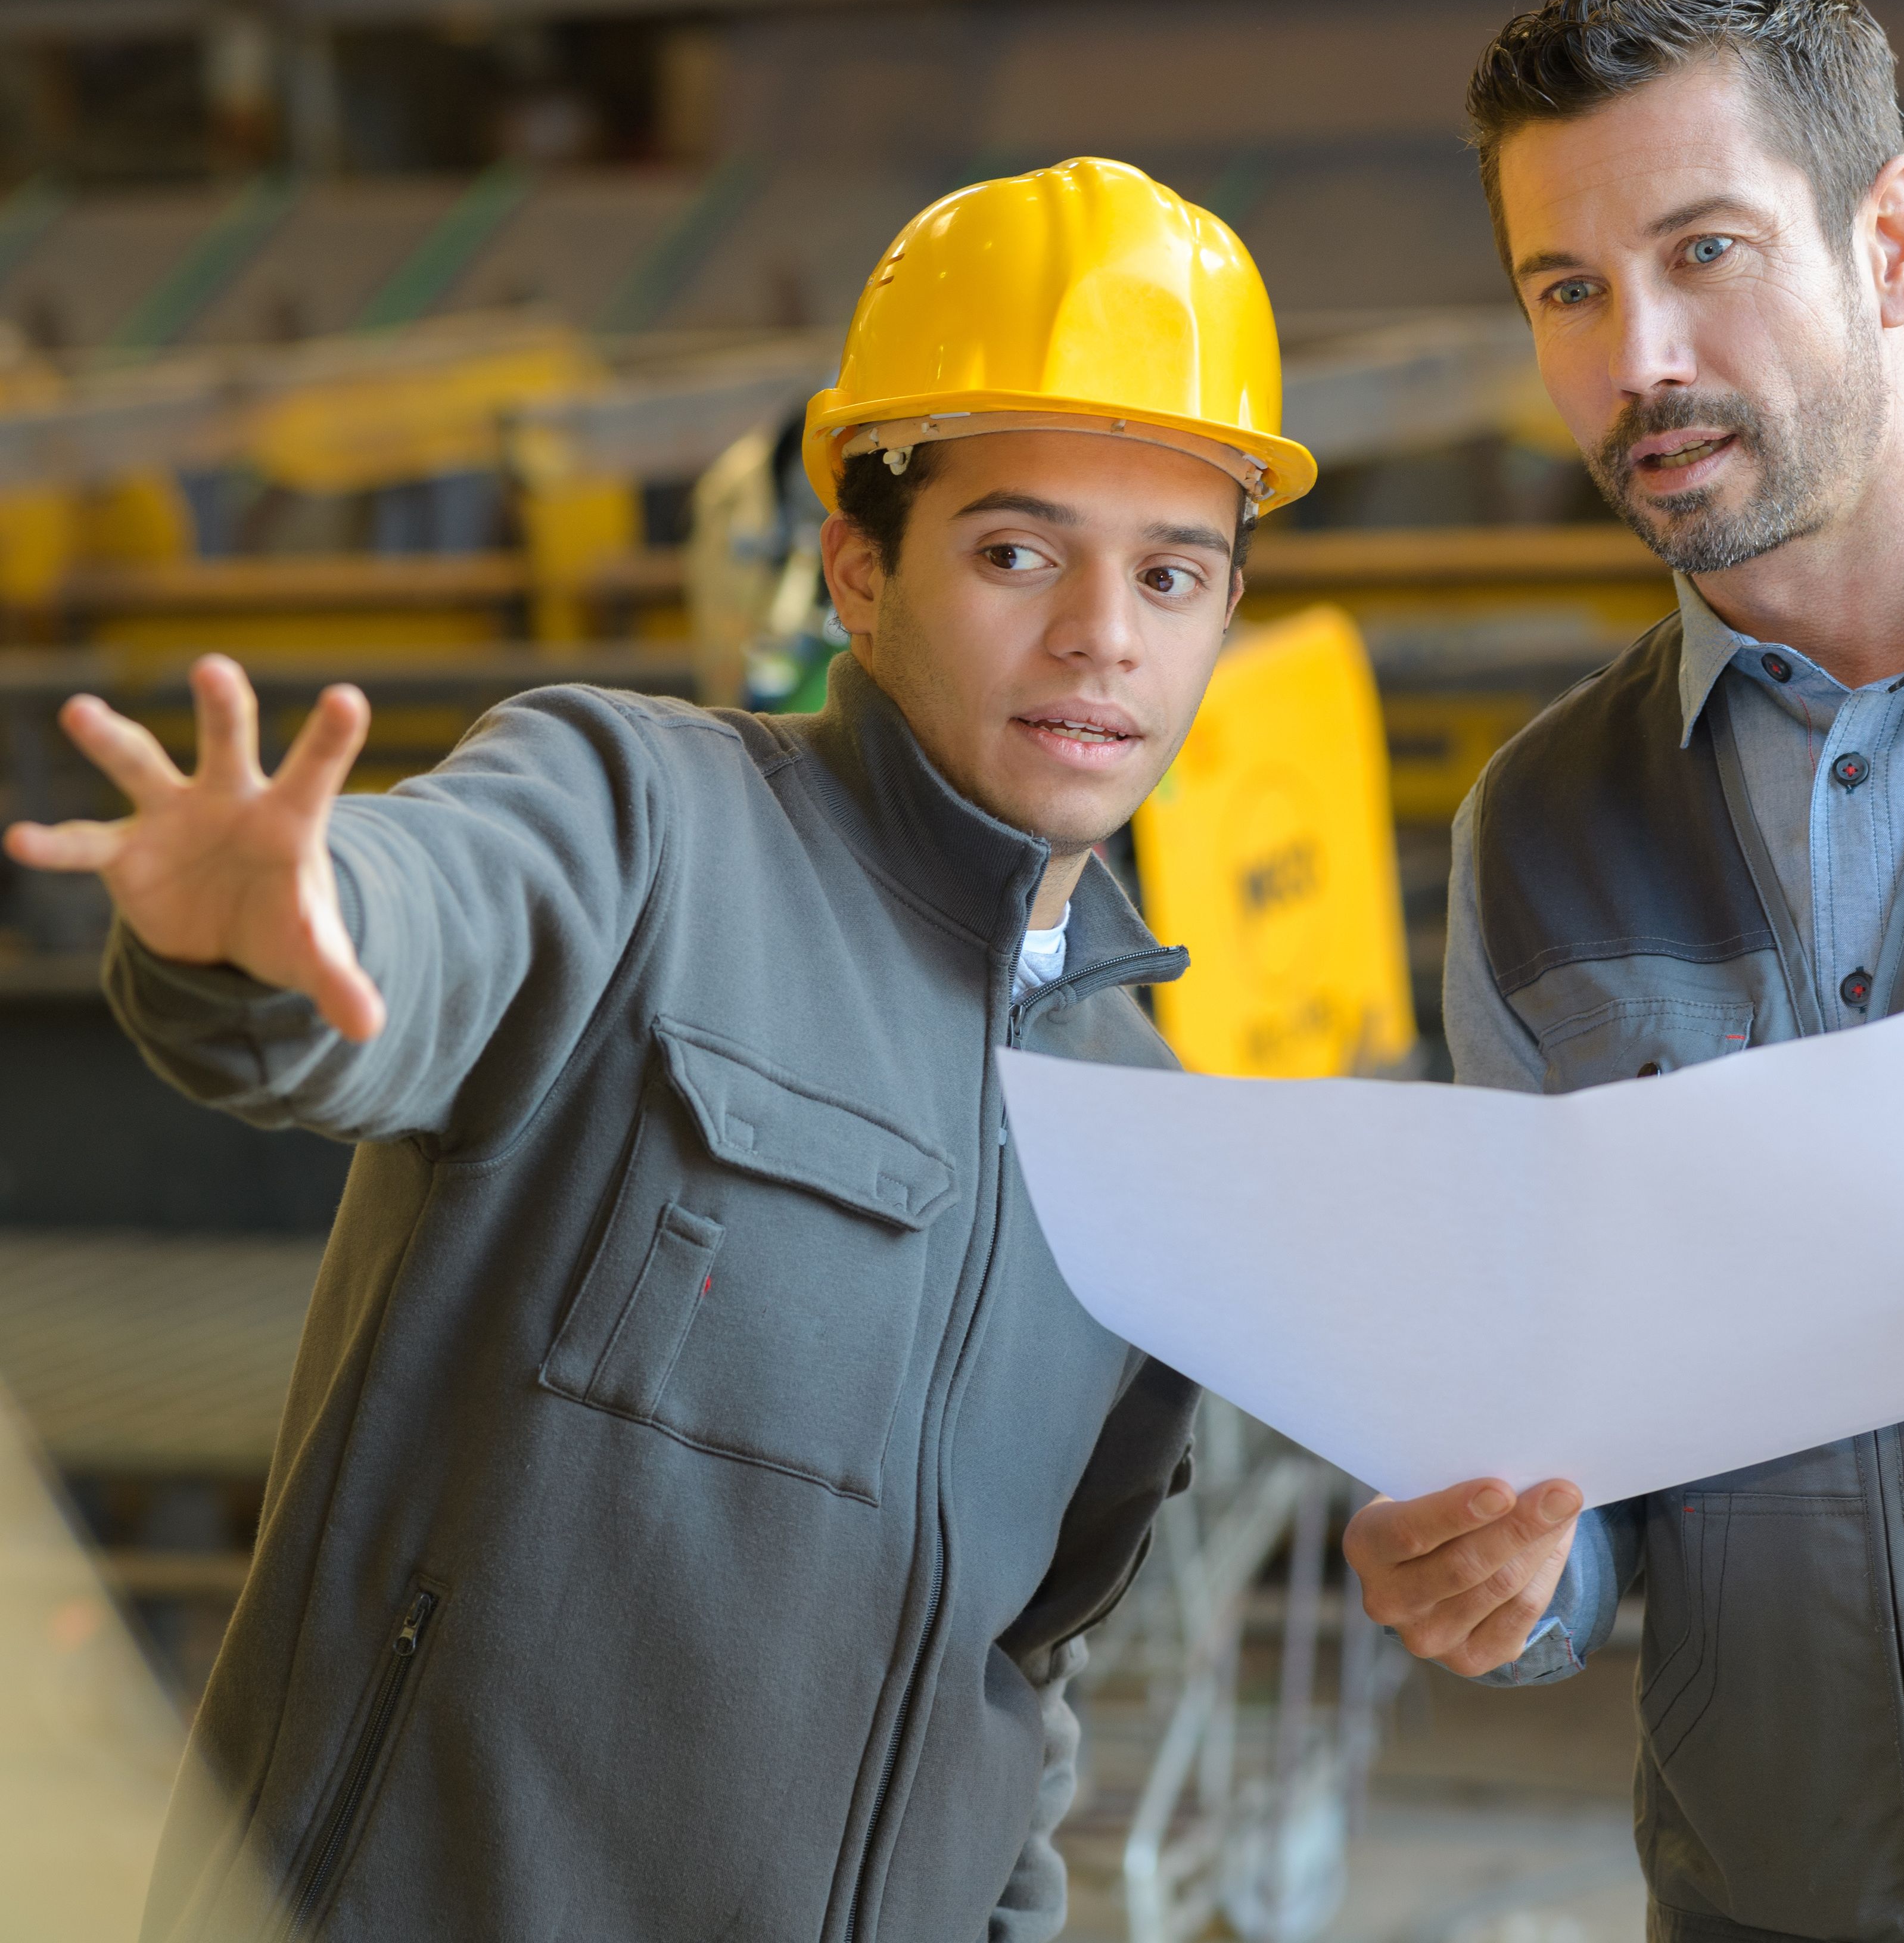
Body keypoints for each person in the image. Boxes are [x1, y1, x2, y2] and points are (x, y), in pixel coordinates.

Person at [4, 156, 1319, 1943]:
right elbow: (424, 926)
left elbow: (1018, 1676)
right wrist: (274, 935)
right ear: (858, 571)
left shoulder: (1140, 1128)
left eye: (1172, 574)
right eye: (1018, 552)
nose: (1103, 634)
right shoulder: (642, 825)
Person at [1343, 0, 1904, 1943]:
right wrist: (1505, 1571)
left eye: (1707, 252)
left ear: (1892, 241)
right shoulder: (1542, 835)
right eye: (1568, 289)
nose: (1637, 358)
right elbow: (1573, 1442)